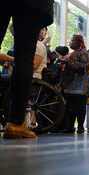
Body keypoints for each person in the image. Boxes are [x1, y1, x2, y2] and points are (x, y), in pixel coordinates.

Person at [1, 0, 53, 139]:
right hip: (32, 4)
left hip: (36, 78)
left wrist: (7, 59)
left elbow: (35, 65)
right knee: (24, 55)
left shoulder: (40, 46)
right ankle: (16, 123)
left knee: (23, 57)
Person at [59, 35, 89, 134]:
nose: (70, 43)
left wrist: (69, 63)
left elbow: (85, 66)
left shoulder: (84, 53)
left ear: (79, 42)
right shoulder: (70, 54)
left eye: (72, 40)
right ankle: (70, 126)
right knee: (69, 107)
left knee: (80, 106)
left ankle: (80, 127)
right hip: (69, 83)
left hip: (81, 83)